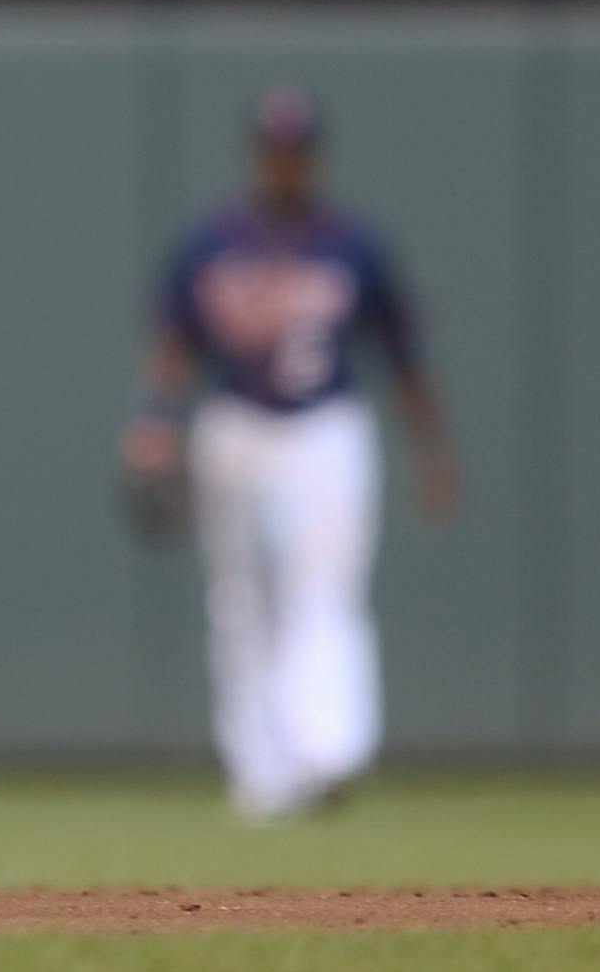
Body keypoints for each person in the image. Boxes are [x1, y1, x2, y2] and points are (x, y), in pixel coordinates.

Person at [119, 87, 458, 820]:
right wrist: (152, 421)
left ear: (313, 158)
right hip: (234, 425)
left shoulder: (353, 242)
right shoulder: (211, 240)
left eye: (296, 151)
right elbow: (173, 346)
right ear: (256, 155)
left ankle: (328, 752)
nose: (285, 163)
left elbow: (404, 354)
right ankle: (260, 773)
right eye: (275, 150)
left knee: (324, 591)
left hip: (326, 429)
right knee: (240, 602)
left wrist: (431, 449)